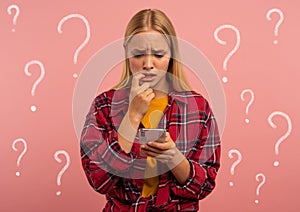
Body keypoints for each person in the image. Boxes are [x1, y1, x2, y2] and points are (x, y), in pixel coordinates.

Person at [80, 8, 221, 211]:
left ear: (172, 54)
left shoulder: (198, 108)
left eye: (158, 54)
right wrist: (133, 115)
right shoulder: (103, 106)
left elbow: (205, 184)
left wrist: (173, 157)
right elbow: (98, 179)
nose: (148, 64)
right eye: (138, 54)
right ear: (127, 53)